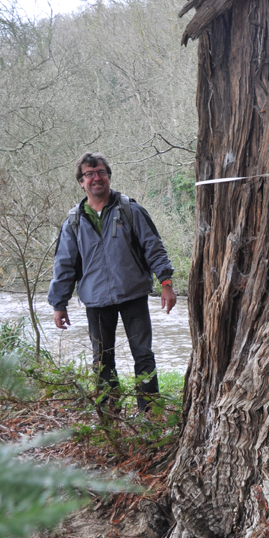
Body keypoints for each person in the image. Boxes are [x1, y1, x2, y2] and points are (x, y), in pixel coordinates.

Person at [48, 153, 177, 415]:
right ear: (81, 182)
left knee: (143, 354)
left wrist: (166, 282)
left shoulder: (130, 210)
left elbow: (154, 248)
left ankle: (149, 412)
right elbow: (64, 265)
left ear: (108, 176)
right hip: (95, 300)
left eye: (101, 172)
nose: (96, 178)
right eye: (89, 174)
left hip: (133, 294)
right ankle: (110, 413)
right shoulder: (74, 221)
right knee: (102, 359)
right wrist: (58, 304)